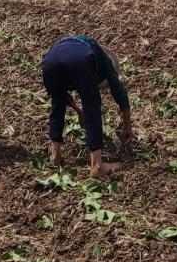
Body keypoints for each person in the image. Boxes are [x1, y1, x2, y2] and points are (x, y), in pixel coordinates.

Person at [42, 35, 134, 178]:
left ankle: (55, 156)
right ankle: (97, 166)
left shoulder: (74, 44)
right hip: (80, 61)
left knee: (57, 103)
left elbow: (61, 95)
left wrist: (79, 111)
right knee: (92, 106)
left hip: (50, 60)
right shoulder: (105, 61)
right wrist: (127, 125)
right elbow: (118, 90)